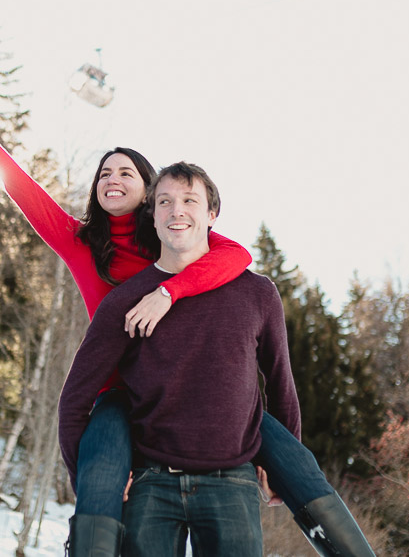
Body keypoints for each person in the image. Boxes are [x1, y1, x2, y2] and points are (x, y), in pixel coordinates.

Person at [0, 86, 375, 557]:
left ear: (151, 193)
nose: (112, 179)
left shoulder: (173, 237)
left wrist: (169, 291)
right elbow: (20, 186)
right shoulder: (82, 242)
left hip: (195, 397)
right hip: (122, 394)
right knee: (103, 479)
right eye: (103, 173)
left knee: (287, 453)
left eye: (126, 172)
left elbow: (236, 256)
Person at [59, 161, 297, 555]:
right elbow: (75, 400)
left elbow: (280, 384)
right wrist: (91, 479)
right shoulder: (123, 301)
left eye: (190, 200)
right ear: (151, 217)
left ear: (211, 214)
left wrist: (281, 467)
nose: (177, 210)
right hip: (151, 482)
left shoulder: (257, 294)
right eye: (165, 201)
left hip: (232, 482)